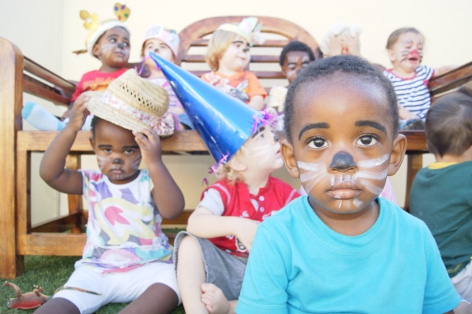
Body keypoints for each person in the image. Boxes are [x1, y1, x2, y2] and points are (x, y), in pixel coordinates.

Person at [236, 55, 461, 313]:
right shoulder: (277, 237)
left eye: (366, 139)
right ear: (292, 159)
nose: (342, 162)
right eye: (318, 142)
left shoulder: (415, 236)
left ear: (394, 155)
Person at [34, 69, 185, 314]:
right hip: (96, 270)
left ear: (143, 150)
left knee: (175, 279)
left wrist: (155, 162)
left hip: (149, 267)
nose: (116, 159)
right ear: (93, 145)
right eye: (106, 149)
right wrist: (72, 128)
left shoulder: (149, 181)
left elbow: (173, 209)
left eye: (128, 151)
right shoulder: (92, 181)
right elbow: (50, 174)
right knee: (59, 305)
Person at [409, 82, 472, 313]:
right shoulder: (468, 174)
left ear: (428, 143)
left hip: (432, 273)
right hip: (461, 270)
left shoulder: (423, 176)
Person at [22, 5, 131, 131]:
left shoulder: (129, 76)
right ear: (96, 49)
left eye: (126, 43)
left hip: (114, 120)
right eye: (113, 40)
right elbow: (76, 100)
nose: (121, 45)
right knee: (75, 121)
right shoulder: (88, 77)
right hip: (86, 119)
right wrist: (71, 112)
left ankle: (61, 128)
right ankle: (56, 127)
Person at [383, 27, 455, 130]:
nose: (415, 51)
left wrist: (456, 68)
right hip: (401, 123)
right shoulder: (387, 77)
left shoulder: (423, 72)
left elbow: (440, 71)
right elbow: (389, 100)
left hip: (425, 122)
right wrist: (407, 116)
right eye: (408, 47)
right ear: (392, 54)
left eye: (420, 48)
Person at [201, 17, 267, 111]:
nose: (244, 50)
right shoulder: (207, 79)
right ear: (220, 49)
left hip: (243, 121)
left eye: (247, 49)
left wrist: (246, 113)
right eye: (238, 45)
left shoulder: (249, 78)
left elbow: (258, 99)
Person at [141, 23, 194, 130]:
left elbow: (182, 105)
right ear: (143, 56)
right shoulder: (141, 82)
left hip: (173, 116)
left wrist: (168, 116)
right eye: (150, 46)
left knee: (188, 118)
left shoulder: (177, 80)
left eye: (163, 47)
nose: (155, 50)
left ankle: (170, 127)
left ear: (173, 58)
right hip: (147, 119)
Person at [266, 40, 316, 112]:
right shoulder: (278, 91)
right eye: (292, 67)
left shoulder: (315, 91)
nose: (299, 71)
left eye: (305, 66)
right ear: (283, 70)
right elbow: (272, 116)